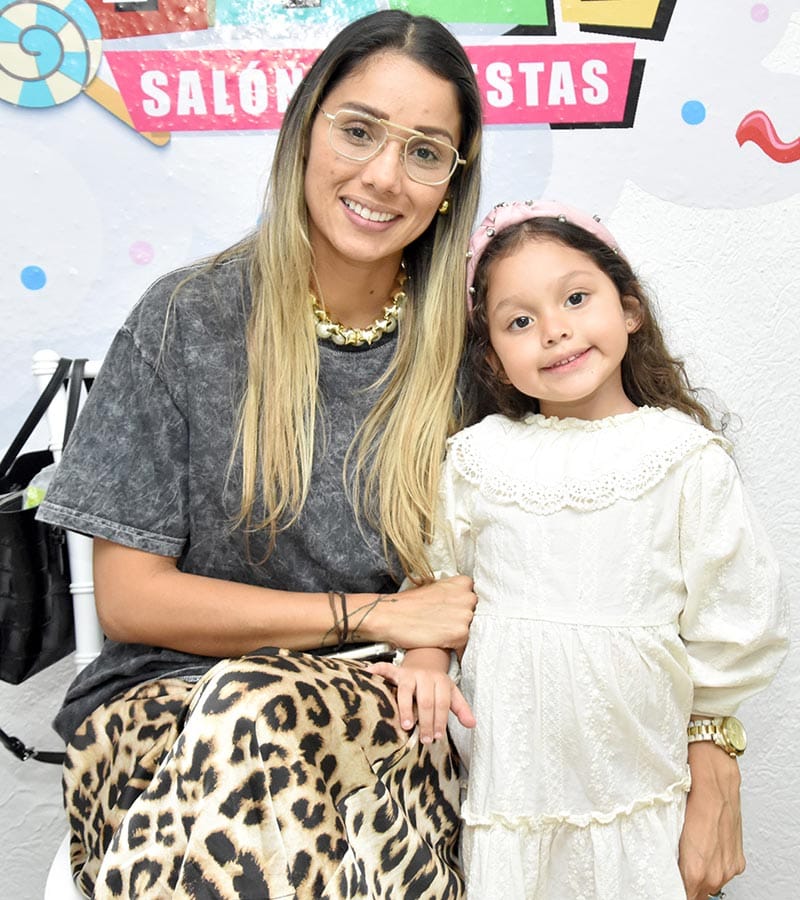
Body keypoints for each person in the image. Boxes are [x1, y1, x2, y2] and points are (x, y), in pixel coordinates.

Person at [36, 10, 483, 898]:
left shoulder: (471, 352)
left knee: (263, 714)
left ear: (450, 183)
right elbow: (131, 599)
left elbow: (483, 571)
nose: (383, 176)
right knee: (254, 710)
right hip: (157, 717)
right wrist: (377, 615)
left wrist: (423, 648)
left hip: (380, 719)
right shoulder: (188, 318)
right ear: (305, 126)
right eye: (359, 130)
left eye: (425, 152)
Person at [369, 200, 788, 900]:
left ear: (629, 310)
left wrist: (712, 743)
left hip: (643, 790)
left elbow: (733, 617)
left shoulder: (684, 458)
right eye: (519, 321)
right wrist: (425, 658)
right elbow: (438, 588)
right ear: (493, 357)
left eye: (575, 298)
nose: (554, 329)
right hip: (513, 792)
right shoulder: (476, 459)